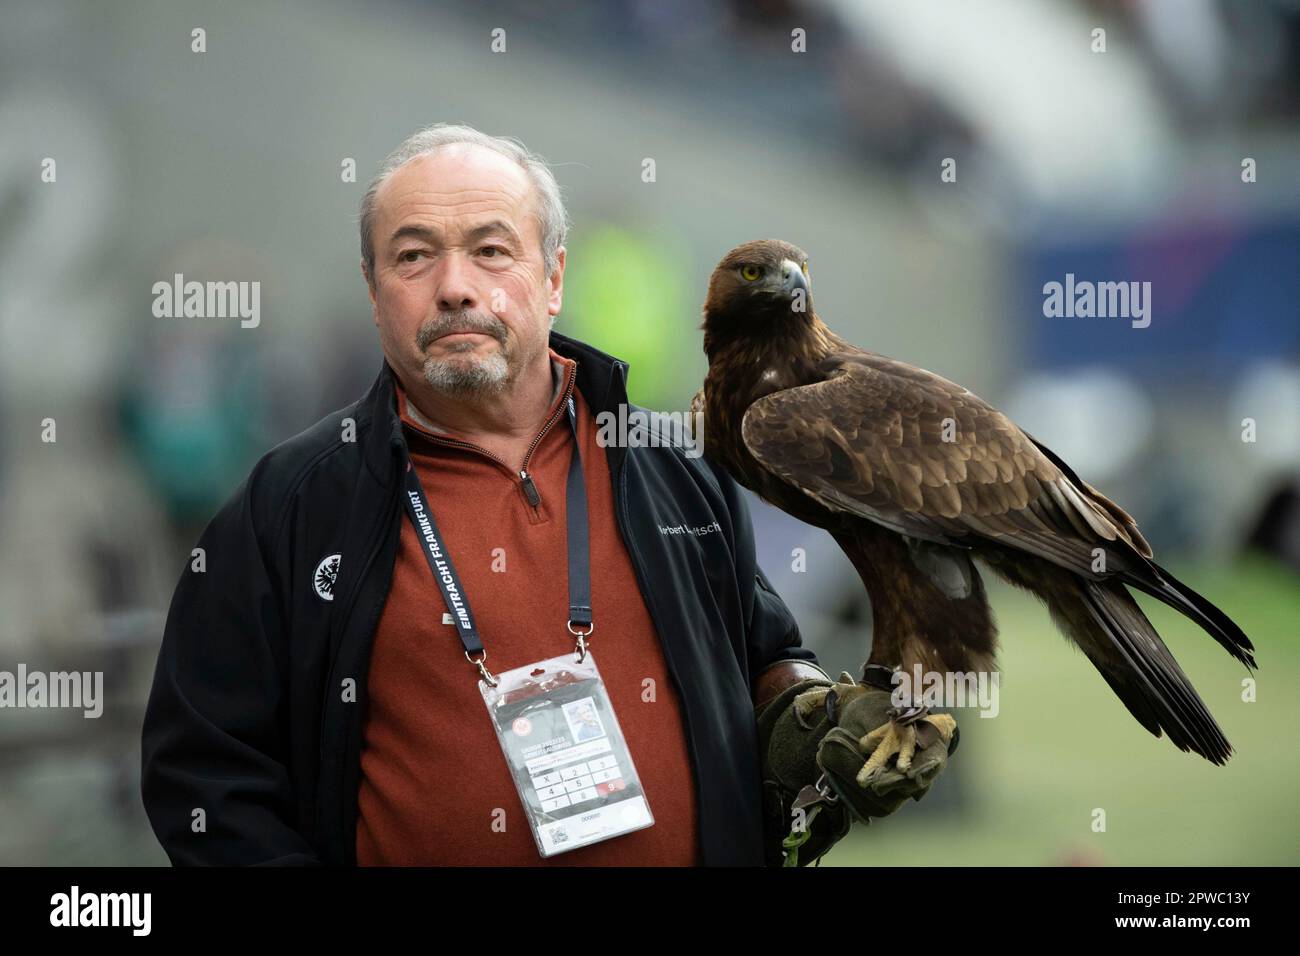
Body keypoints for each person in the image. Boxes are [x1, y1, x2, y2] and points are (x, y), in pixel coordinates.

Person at [140, 124, 956, 867]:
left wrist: (808, 717)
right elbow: (204, 773)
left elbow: (763, 655)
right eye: (414, 256)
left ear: (554, 274)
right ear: (373, 288)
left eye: (491, 251)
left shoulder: (672, 467)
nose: (455, 286)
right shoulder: (290, 504)